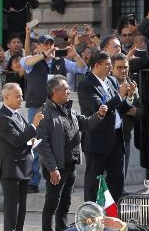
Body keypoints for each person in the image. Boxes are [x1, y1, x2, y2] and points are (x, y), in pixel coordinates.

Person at [36, 76, 102, 231]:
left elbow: (86, 124)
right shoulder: (45, 113)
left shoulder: (68, 110)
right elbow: (42, 143)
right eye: (65, 88)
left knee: (65, 205)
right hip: (56, 168)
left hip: (70, 166)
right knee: (52, 205)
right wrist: (52, 168)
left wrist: (100, 115)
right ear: (54, 92)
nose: (68, 91)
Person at [20, 34, 87, 193]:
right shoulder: (33, 60)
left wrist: (75, 55)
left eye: (51, 43)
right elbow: (25, 63)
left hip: (58, 108)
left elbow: (83, 68)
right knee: (35, 143)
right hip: (37, 106)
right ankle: (34, 180)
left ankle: (61, 175)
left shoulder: (61, 62)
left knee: (60, 141)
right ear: (40, 47)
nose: (49, 46)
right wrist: (43, 55)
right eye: (46, 44)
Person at [0, 83, 44, 231]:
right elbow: (16, 140)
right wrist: (33, 125)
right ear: (6, 98)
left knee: (21, 211)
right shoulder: (3, 117)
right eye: (17, 96)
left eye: (21, 95)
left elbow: (25, 139)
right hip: (10, 169)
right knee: (12, 212)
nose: (21, 99)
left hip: (23, 168)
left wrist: (32, 137)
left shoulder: (17, 115)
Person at [78, 50, 137, 202]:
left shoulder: (111, 80)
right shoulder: (86, 84)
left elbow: (122, 105)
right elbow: (98, 107)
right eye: (108, 64)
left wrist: (129, 98)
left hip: (116, 137)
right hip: (97, 139)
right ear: (97, 65)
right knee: (94, 180)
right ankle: (91, 216)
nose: (111, 67)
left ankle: (113, 213)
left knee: (117, 178)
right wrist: (119, 96)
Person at [111, 52, 142, 180]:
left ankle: (120, 193)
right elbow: (113, 107)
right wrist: (127, 101)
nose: (123, 70)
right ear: (112, 68)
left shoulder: (132, 84)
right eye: (119, 67)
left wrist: (135, 111)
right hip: (109, 134)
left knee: (122, 170)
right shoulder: (107, 84)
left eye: (125, 67)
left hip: (125, 134)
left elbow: (141, 108)